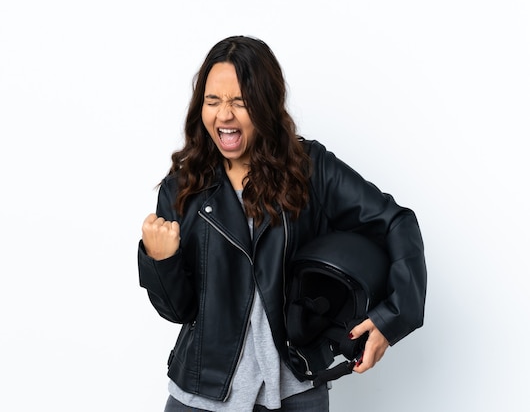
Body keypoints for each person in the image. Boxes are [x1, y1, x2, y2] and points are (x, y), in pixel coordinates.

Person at [137, 35, 427, 412]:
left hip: (295, 392)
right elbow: (178, 310)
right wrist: (161, 260)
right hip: (201, 396)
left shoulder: (310, 169)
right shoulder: (183, 187)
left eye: (239, 102)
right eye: (213, 101)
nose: (224, 115)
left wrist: (393, 319)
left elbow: (396, 222)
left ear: (265, 104)